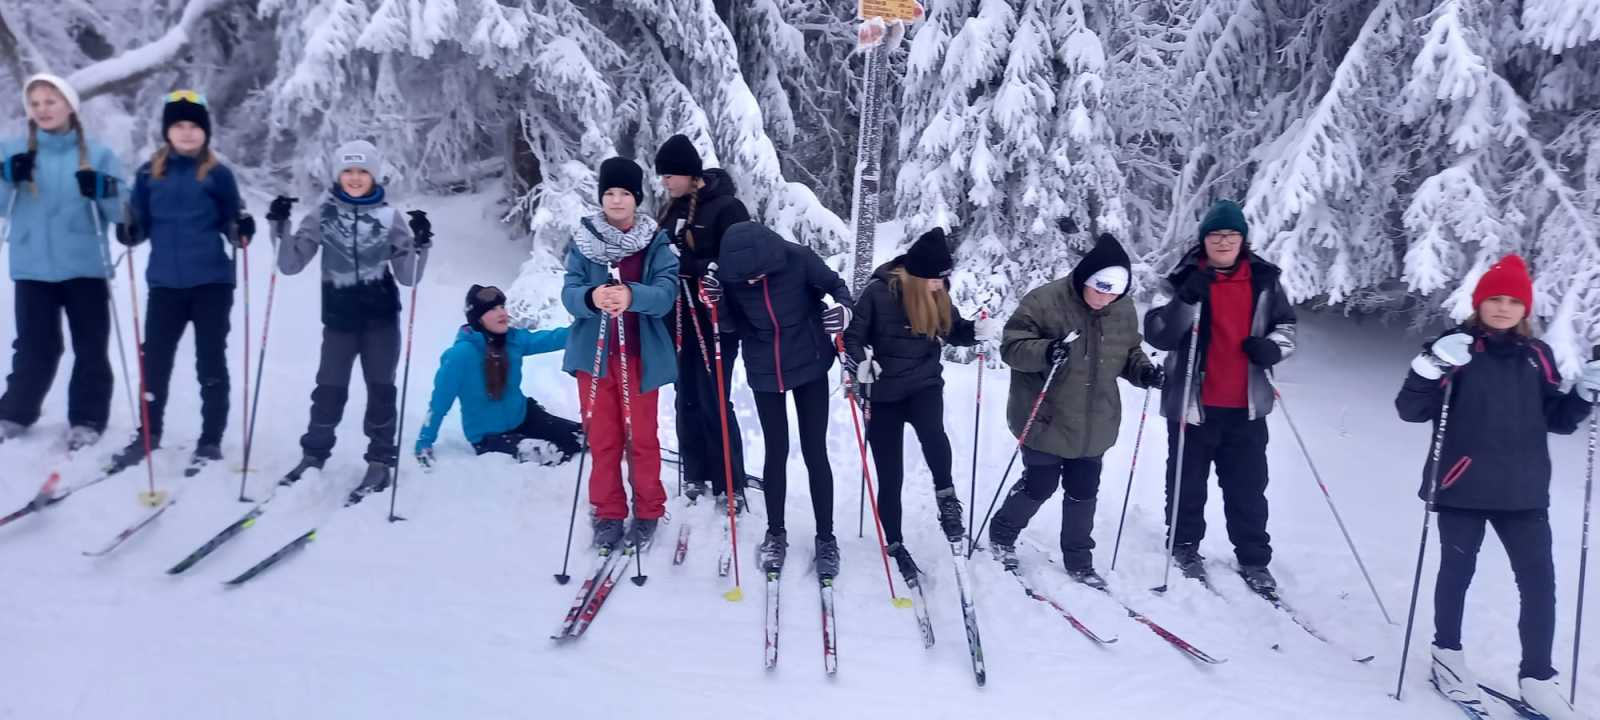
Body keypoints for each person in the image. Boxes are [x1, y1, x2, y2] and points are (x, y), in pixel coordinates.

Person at [1395, 254, 1597, 719]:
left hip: (1524, 493)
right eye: (1495, 299)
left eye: (1513, 301)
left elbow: (1557, 419)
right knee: (1457, 574)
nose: (1503, 308)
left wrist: (1585, 393)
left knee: (1540, 584)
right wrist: (1430, 365)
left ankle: (1538, 678)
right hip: (1461, 487)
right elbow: (1410, 409)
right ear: (1479, 303)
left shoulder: (1537, 356)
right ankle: (1447, 657)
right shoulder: (1456, 349)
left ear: (1525, 309)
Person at [986, 233, 1162, 588]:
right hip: (1046, 416)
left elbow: (1128, 351)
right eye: (1100, 289)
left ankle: (1079, 560)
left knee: (1084, 489)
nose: (1105, 298)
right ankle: (1002, 533)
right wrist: (1046, 351)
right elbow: (1012, 348)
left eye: (1114, 292)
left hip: (1094, 422)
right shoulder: (1044, 301)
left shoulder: (1122, 309)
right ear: (1085, 277)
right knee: (1040, 484)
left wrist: (1143, 371)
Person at [1143, 199, 1296, 594]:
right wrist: (1185, 300)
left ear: (1242, 239)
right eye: (1215, 235)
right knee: (1186, 483)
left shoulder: (1264, 280)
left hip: (1247, 405)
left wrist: (1273, 348)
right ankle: (1184, 545)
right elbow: (1158, 333)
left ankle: (1254, 558)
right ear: (1203, 240)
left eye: (1231, 234)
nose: (1223, 241)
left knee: (1248, 487)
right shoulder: (1179, 278)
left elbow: (1287, 327)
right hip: (1191, 404)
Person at [273, 140, 431, 498]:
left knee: (381, 392)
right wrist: (281, 226)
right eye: (348, 171)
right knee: (328, 391)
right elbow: (290, 264)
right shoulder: (323, 215)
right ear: (338, 175)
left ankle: (379, 462)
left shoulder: (389, 218)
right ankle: (313, 455)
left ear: (373, 175)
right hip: (339, 322)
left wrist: (420, 245)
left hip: (381, 322)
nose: (355, 177)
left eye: (362, 171)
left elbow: (408, 276)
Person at [109, 89, 251, 475]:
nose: (187, 133)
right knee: (154, 361)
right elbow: (138, 224)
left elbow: (232, 222)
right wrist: (128, 230)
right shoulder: (148, 174)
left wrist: (241, 229)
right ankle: (148, 433)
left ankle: (210, 440)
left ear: (205, 132)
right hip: (165, 285)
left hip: (211, 283)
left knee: (210, 360)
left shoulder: (218, 174)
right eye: (179, 126)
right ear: (167, 131)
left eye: (194, 126)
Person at [842, 227, 995, 582]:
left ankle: (947, 499)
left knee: (933, 434)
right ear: (917, 275)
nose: (940, 285)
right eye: (935, 279)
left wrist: (974, 332)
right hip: (882, 393)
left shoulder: (937, 293)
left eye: (943, 279)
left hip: (923, 384)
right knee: (890, 472)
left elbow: (952, 329)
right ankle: (894, 540)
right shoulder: (878, 293)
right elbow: (852, 337)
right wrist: (861, 362)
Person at [713, 220, 853, 578]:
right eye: (744, 279)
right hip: (764, 370)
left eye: (757, 276)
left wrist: (843, 309)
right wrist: (718, 303)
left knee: (814, 451)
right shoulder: (733, 275)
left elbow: (837, 287)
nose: (751, 283)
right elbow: (730, 326)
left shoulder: (798, 258)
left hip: (810, 363)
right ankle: (775, 533)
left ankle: (826, 538)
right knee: (775, 452)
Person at [0, 74, 123, 451]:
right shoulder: (12, 151)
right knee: (35, 346)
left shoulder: (99, 156)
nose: (42, 109)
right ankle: (15, 412)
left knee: (91, 346)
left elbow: (123, 213)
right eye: (35, 104)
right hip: (32, 265)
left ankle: (87, 418)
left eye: (50, 102)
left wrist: (105, 190)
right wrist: (6, 177)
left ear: (70, 106)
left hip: (85, 265)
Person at [560, 157, 678, 551]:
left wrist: (632, 295)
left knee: (641, 438)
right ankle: (608, 512)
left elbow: (666, 294)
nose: (616, 200)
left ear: (636, 198)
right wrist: (591, 297)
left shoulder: (654, 242)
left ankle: (648, 510)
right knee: (603, 438)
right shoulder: (585, 241)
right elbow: (569, 293)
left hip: (638, 356)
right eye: (609, 192)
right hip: (594, 357)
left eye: (624, 193)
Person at [654, 133, 750, 509]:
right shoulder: (670, 210)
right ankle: (694, 470)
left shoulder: (727, 208)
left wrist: (692, 265)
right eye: (662, 176)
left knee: (714, 396)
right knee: (686, 396)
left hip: (714, 320)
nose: (665, 182)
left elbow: (738, 261)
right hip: (678, 318)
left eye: (669, 175)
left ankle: (730, 479)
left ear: (688, 173)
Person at [413, 284, 582, 466]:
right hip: (489, 437)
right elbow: (439, 403)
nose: (502, 313)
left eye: (502, 306)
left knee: (581, 437)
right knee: (549, 453)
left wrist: (582, 332)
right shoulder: (460, 356)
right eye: (493, 309)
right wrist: (424, 440)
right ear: (478, 318)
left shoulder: (513, 340)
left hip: (524, 418)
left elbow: (551, 339)